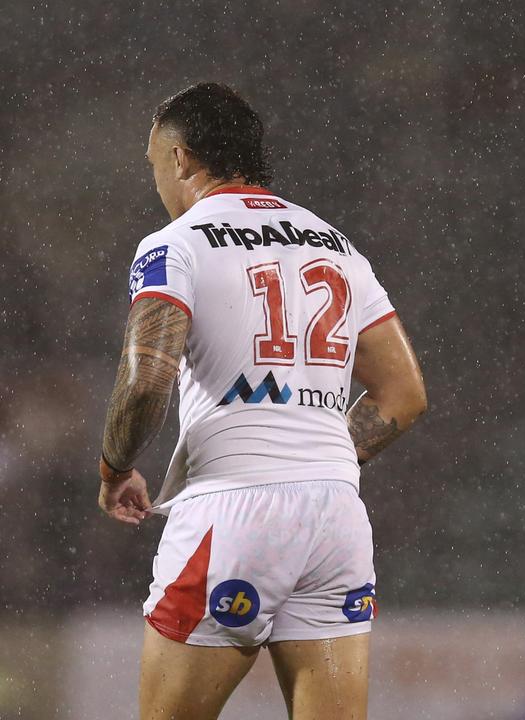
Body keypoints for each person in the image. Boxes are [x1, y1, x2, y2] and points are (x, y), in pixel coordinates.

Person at [96, 82, 427, 720]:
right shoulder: (335, 244)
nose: (157, 183)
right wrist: (314, 455)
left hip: (233, 513)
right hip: (336, 517)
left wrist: (114, 469)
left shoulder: (176, 243)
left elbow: (146, 380)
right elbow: (404, 395)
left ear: (182, 159)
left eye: (154, 164)